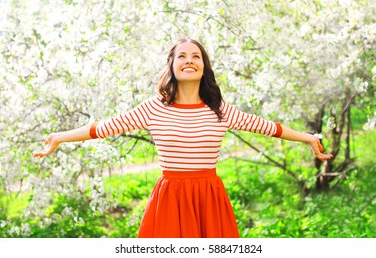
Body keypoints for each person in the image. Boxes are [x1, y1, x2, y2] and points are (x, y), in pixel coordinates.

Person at [34, 38, 333, 238]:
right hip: (170, 198)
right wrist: (59, 137)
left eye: (196, 56)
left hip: (209, 198)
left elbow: (269, 127)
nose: (189, 60)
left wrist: (308, 138)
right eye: (182, 56)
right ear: (172, 66)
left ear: (204, 67)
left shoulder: (220, 111)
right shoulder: (153, 109)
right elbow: (103, 128)